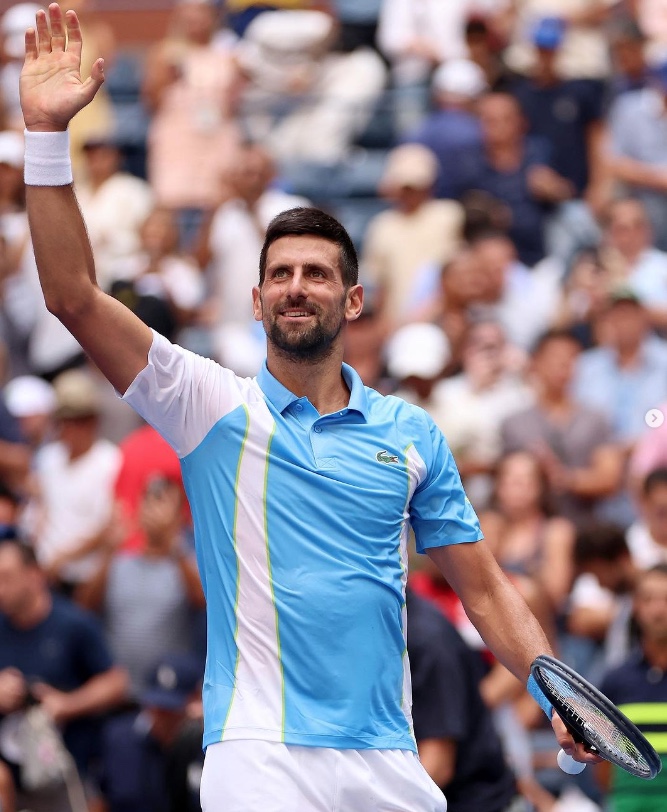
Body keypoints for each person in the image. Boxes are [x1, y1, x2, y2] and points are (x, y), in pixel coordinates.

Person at [17, 8, 596, 811]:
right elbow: (73, 297)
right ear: (255, 301)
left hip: (386, 754)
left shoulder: (411, 434)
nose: (296, 286)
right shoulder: (207, 404)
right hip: (260, 753)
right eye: (280, 274)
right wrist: (47, 137)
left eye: (317, 273)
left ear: (352, 300)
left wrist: (551, 685)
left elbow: (486, 589)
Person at [0, 536, 128, 805]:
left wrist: (66, 704)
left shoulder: (73, 625)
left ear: (34, 575)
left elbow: (116, 682)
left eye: (6, 577)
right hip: (8, 778)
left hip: (66, 772)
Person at [597, 564, 667, 811]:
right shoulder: (615, 681)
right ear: (636, 607)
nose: (658, 610)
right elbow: (603, 762)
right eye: (649, 599)